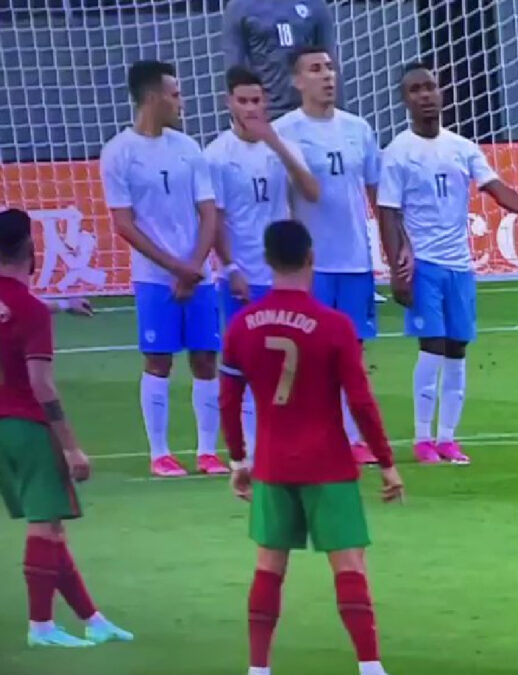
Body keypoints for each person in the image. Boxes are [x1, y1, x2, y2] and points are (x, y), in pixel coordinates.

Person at [219, 219, 403, 675]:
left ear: (267, 260)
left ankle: (259, 669)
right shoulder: (334, 326)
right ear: (310, 258)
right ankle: (370, 667)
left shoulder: (241, 326)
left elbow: (227, 399)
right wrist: (386, 462)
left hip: (272, 464)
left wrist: (239, 458)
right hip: (329, 464)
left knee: (268, 566)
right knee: (349, 564)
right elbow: (360, 400)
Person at [377, 63, 518, 465]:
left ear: (441, 93)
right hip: (424, 264)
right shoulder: (397, 153)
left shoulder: (462, 146)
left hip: (460, 265)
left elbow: (495, 189)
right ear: (405, 100)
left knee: (458, 347)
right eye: (416, 90)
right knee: (432, 347)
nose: (425, 95)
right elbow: (388, 212)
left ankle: (448, 438)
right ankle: (423, 439)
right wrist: (396, 270)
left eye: (430, 88)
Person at [0, 208, 133, 648]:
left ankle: (92, 619)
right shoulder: (31, 311)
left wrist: (60, 304)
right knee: (45, 526)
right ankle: (41, 627)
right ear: (31, 250)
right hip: (26, 426)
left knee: (53, 527)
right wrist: (73, 447)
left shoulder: (26, 306)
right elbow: (41, 384)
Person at [99, 60, 228, 478]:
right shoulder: (119, 152)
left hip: (198, 275)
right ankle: (160, 454)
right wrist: (175, 268)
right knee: (158, 361)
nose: (181, 101)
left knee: (206, 359)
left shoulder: (188, 149)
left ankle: (208, 452)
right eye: (175, 94)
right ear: (153, 97)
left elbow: (208, 213)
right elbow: (124, 224)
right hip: (155, 278)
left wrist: (194, 266)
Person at [205, 65, 319, 465]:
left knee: (291, 366)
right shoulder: (216, 154)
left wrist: (275, 141)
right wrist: (231, 268)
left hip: (282, 277)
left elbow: (311, 191)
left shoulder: (281, 144)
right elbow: (215, 218)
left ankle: (290, 443)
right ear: (229, 103)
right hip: (241, 278)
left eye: (257, 100)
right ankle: (254, 452)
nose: (252, 109)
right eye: (243, 101)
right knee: (247, 367)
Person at [275, 46, 381, 464]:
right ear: (297, 81)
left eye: (330, 67)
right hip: (312, 266)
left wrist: (393, 247)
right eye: (315, 69)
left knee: (352, 353)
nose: (327, 75)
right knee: (306, 354)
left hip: (355, 259)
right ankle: (309, 434)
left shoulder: (359, 128)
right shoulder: (286, 131)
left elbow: (375, 192)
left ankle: (353, 438)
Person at [222, 0, 338, 120]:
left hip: (312, 112)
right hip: (268, 115)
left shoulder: (315, 4)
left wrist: (338, 111)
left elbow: (331, 61)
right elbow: (234, 68)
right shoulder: (239, 7)